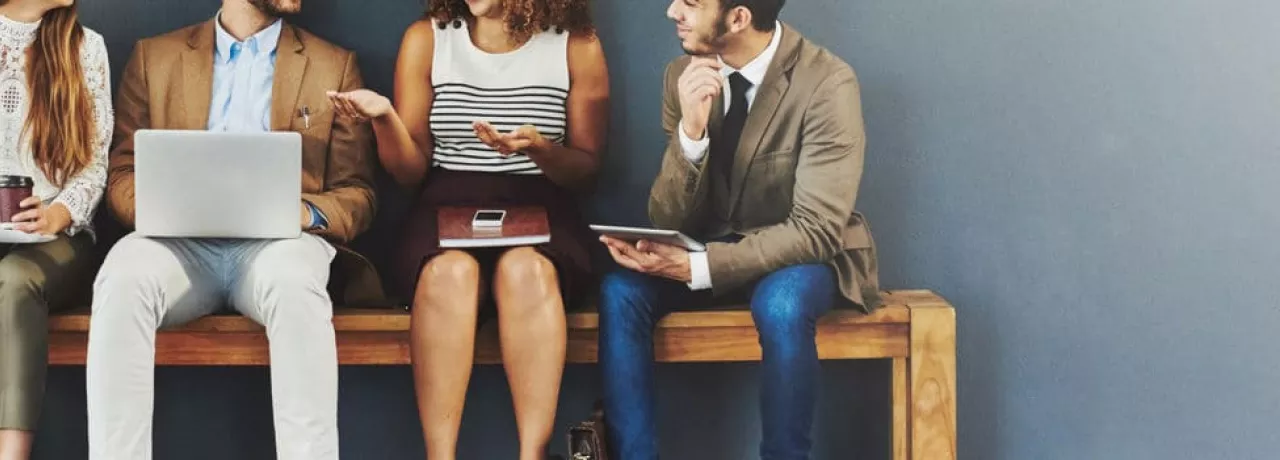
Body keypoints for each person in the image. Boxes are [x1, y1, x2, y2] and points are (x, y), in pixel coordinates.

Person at [85, 0, 377, 458]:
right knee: (122, 276)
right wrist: (163, 208)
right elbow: (121, 174)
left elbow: (356, 194)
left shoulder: (334, 66)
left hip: (281, 246)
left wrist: (302, 214)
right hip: (177, 247)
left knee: (296, 282)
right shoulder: (153, 57)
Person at [597, 0, 881, 458]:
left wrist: (699, 267)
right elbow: (668, 220)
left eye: (690, 3)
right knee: (620, 291)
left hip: (798, 257)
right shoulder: (681, 77)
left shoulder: (827, 82)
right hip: (708, 247)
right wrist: (690, 132)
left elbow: (816, 231)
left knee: (783, 304)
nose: (673, 11)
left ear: (739, 18)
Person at [327, 0, 608, 457]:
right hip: (445, 209)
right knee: (448, 276)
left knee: (526, 273)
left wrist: (537, 148)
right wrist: (384, 119)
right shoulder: (427, 39)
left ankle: (532, 455)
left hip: (542, 208)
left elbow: (588, 169)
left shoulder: (576, 44)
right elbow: (409, 172)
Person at [0, 1, 109, 458]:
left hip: (58, 239)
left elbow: (95, 164)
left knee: (14, 281)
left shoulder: (84, 48)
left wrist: (59, 211)